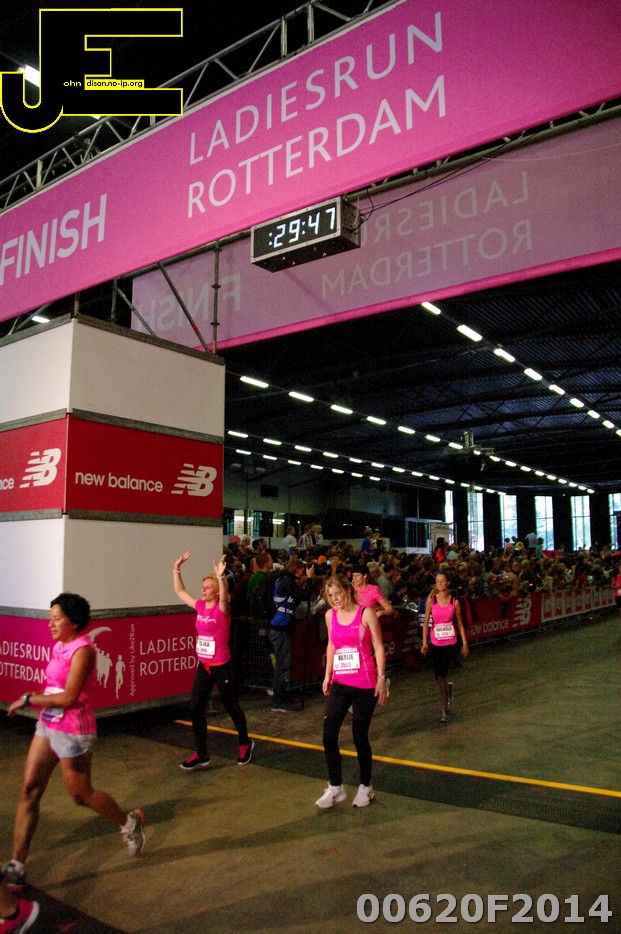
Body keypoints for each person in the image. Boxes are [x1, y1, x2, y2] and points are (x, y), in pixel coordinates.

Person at [2, 594, 145, 892]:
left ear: (74, 622)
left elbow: (68, 698)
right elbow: (54, 688)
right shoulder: (59, 646)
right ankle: (17, 865)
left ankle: (129, 823)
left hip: (73, 729)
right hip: (48, 724)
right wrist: (39, 701)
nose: (51, 623)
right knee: (29, 789)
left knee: (81, 794)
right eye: (50, 617)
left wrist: (29, 699)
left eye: (57, 618)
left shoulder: (83, 652)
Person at [173, 552, 254, 770]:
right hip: (204, 667)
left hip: (222, 667)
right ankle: (202, 754)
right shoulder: (200, 606)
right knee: (195, 708)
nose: (203, 590)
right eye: (203, 587)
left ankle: (245, 742)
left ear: (217, 592)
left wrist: (220, 577)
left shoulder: (222, 609)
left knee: (231, 706)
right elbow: (180, 591)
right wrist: (176, 569)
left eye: (208, 587)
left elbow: (225, 598)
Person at [315, 576, 388, 810]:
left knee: (359, 736)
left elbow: (378, 646)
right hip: (340, 681)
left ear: (347, 590)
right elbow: (331, 645)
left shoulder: (366, 614)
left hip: (364, 682)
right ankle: (335, 787)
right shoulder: (330, 616)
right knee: (328, 735)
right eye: (330, 596)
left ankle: (366, 786)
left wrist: (381, 679)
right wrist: (327, 674)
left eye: (338, 593)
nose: (335, 599)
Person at [421, 572, 469, 722]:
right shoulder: (431, 601)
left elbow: (460, 623)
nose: (440, 584)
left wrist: (465, 643)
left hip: (450, 643)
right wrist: (424, 642)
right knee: (439, 677)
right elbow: (426, 622)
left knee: (442, 675)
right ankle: (446, 693)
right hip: (436, 643)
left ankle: (444, 708)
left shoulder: (454, 602)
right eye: (438, 582)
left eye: (443, 581)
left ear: (448, 583)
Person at [268, 559, 314, 712]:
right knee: (282, 665)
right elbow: (304, 595)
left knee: (283, 664)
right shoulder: (287, 581)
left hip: (280, 626)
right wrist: (310, 579)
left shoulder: (282, 580)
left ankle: (281, 697)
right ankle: (278, 701)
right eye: (302, 570)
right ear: (297, 569)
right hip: (280, 628)